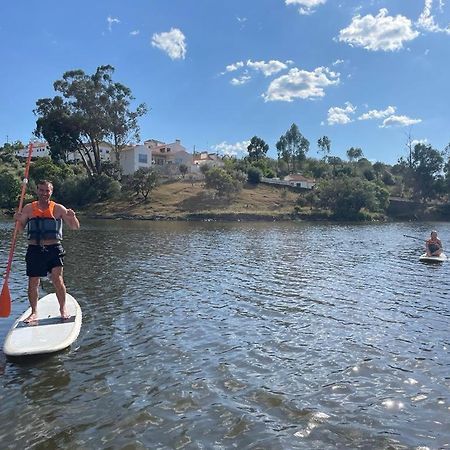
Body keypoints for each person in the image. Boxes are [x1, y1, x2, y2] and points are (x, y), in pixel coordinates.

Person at [14, 180, 80, 323]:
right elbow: (19, 230)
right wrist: (17, 221)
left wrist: (72, 217)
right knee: (33, 281)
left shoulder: (58, 208)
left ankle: (63, 309)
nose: (44, 193)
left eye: (47, 191)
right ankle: (34, 312)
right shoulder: (28, 208)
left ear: (51, 192)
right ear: (37, 191)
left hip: (54, 248)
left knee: (57, 278)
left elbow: (75, 227)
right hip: (35, 249)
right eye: (42, 190)